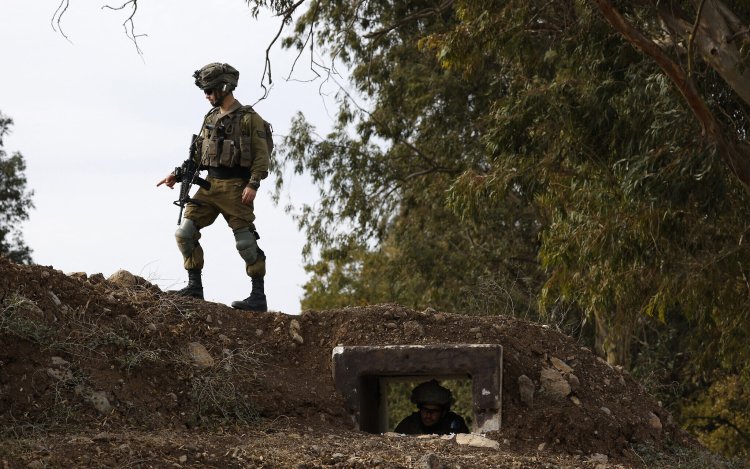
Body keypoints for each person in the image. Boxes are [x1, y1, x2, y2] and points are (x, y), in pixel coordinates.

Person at [157, 62, 270, 312]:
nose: (206, 96)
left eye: (210, 90)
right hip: (209, 185)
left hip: (236, 187)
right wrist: (177, 174)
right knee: (184, 233)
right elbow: (198, 154)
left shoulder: (251, 119)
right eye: (205, 91)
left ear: (224, 87)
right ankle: (194, 287)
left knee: (245, 242)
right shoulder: (210, 117)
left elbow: (262, 157)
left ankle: (257, 296)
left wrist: (253, 184)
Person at [394, 379, 470, 435]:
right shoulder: (409, 425)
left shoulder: (454, 425)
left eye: (434, 411)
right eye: (425, 410)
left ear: (443, 412)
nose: (428, 415)